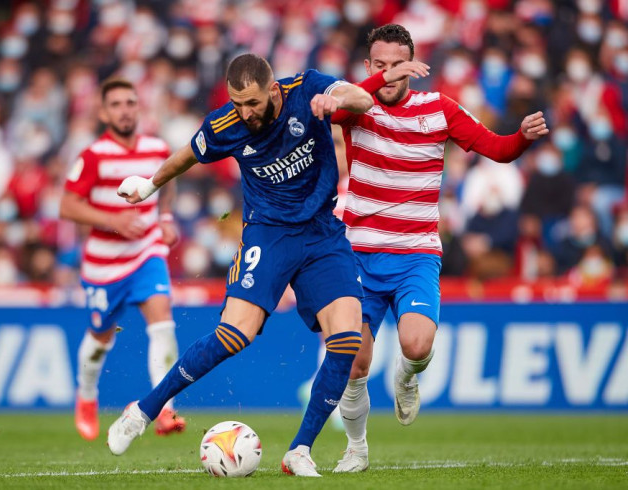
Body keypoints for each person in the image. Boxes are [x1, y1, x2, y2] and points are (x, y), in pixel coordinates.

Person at [111, 53, 374, 477]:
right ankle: (143, 411)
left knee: (347, 341)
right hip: (268, 234)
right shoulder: (226, 125)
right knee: (234, 335)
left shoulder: (305, 89)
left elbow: (360, 99)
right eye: (237, 103)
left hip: (322, 231)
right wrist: (149, 184)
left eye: (252, 103)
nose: (245, 113)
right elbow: (187, 155)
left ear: (272, 90)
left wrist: (335, 97)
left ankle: (299, 450)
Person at [330, 24, 549, 473]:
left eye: (398, 65)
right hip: (357, 253)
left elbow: (499, 149)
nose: (389, 74)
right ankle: (356, 448)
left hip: (415, 253)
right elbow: (333, 111)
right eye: (380, 65)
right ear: (368, 66)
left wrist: (523, 136)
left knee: (415, 344)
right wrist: (376, 82)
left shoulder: (439, 110)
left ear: (414, 67)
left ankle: (407, 378)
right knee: (354, 362)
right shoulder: (356, 107)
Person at [59, 78, 185, 442]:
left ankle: (164, 408)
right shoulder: (93, 155)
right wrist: (113, 220)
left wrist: (165, 219)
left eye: (130, 102)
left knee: (162, 320)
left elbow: (170, 179)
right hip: (103, 264)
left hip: (147, 253)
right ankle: (85, 395)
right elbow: (67, 206)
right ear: (103, 112)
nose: (125, 110)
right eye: (115, 104)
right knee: (99, 338)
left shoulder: (156, 147)